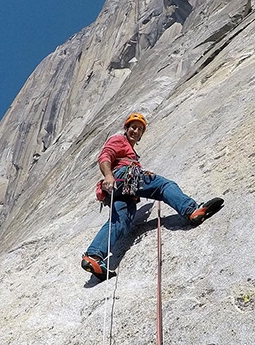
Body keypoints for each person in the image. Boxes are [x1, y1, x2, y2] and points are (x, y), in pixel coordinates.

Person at [81, 112, 223, 282]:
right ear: (126, 128)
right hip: (123, 178)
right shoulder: (118, 140)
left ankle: (94, 256)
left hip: (122, 191)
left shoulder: (131, 151)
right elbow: (105, 156)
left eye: (139, 129)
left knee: (121, 221)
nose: (136, 131)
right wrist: (108, 176)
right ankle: (191, 210)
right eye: (133, 127)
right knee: (163, 186)